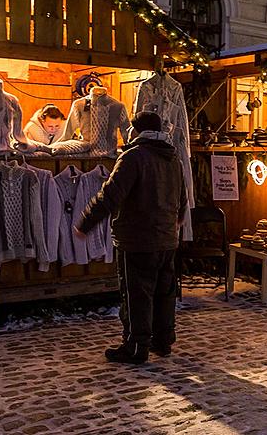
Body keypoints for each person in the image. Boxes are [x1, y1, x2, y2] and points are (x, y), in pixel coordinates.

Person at [73, 111, 187, 365]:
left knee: (137, 294)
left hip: (137, 239)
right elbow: (182, 197)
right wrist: (175, 221)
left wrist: (85, 222)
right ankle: (163, 340)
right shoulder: (173, 159)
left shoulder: (133, 157)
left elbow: (110, 195)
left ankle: (136, 347)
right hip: (167, 239)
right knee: (163, 293)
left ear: (136, 132)